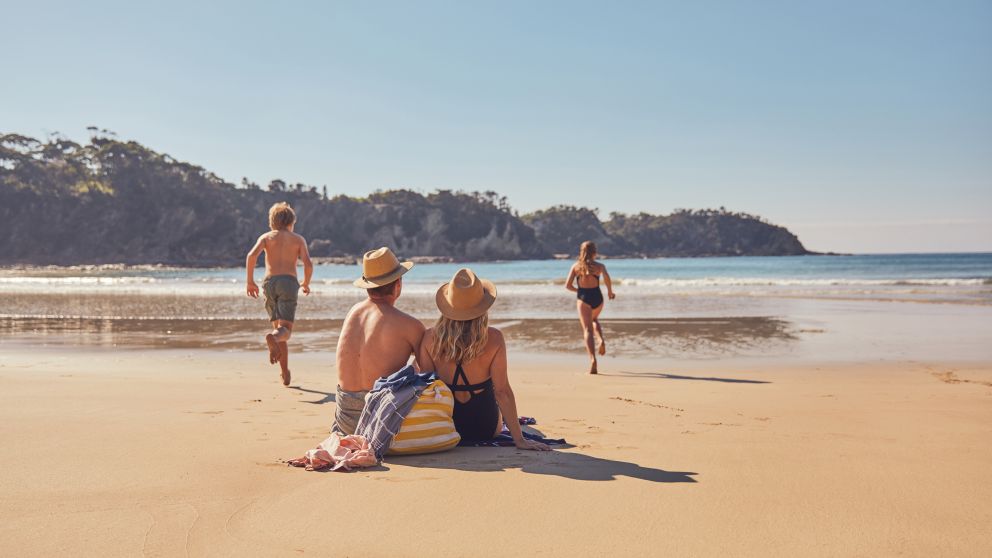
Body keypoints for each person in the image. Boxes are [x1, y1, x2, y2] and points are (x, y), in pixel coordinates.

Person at [417, 268, 549, 450]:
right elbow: (502, 393)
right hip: (485, 427)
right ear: (483, 307)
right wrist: (519, 440)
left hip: (447, 426)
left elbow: (427, 388)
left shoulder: (429, 338)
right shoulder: (494, 338)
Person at [333, 247, 425, 435]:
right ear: (398, 283)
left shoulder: (353, 312)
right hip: (379, 421)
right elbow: (430, 363)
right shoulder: (409, 325)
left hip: (345, 421)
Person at [246, 202, 313, 386]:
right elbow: (308, 263)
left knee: (279, 328)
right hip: (288, 283)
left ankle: (284, 372)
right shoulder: (298, 239)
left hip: (269, 283)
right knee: (285, 332)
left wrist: (250, 281)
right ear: (291, 222)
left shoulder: (266, 237)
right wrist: (306, 283)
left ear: (272, 222)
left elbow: (251, 256)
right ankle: (273, 338)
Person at [565, 241, 615, 374]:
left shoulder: (576, 267)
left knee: (587, 329)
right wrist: (610, 291)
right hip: (598, 298)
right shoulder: (600, 266)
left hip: (584, 299)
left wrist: (580, 292)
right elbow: (607, 278)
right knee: (595, 320)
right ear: (594, 252)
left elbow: (568, 285)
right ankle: (600, 339)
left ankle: (593, 359)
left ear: (581, 251)